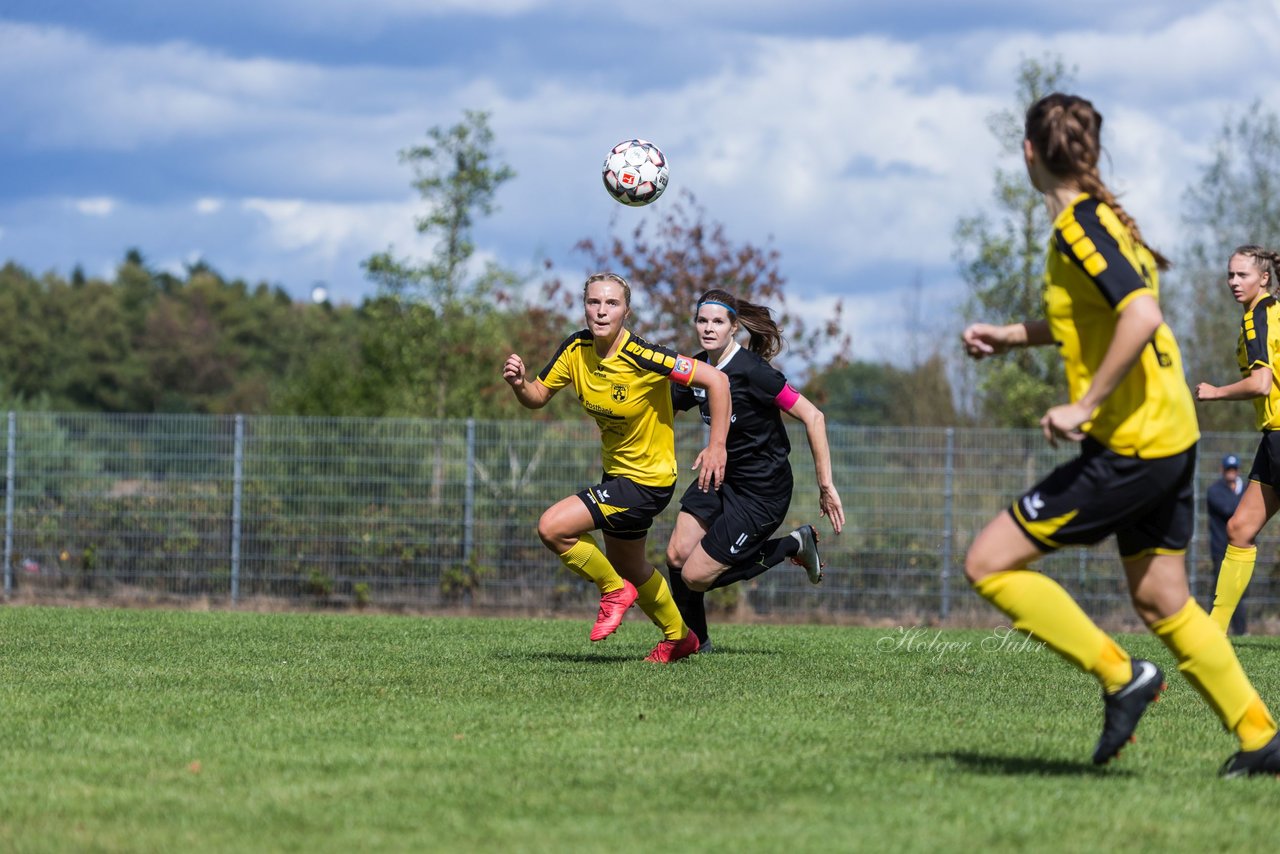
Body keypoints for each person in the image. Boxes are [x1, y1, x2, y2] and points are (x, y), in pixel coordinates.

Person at [960, 92, 1280, 776]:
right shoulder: (1106, 221)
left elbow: (1139, 314)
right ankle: (1262, 738)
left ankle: (1121, 676)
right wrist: (1011, 337)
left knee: (987, 562)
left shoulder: (1080, 227)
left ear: (1028, 154)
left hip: (1135, 443)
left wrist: (1084, 404)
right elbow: (1096, 318)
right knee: (1163, 597)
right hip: (1170, 434)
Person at [502, 272, 731, 663]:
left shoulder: (645, 355)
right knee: (631, 564)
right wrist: (520, 384)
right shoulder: (576, 349)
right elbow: (538, 395)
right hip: (618, 476)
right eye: (594, 302)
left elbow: (717, 381)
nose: (601, 310)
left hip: (649, 481)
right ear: (584, 306)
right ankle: (680, 638)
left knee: (552, 527)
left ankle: (612, 590)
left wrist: (716, 447)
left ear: (626, 310)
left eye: (611, 303)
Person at [664, 288, 845, 652]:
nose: (709, 328)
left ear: (734, 327)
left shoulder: (754, 372)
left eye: (718, 321)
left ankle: (794, 543)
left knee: (695, 576)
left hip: (762, 492)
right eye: (702, 320)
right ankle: (698, 643)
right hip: (717, 477)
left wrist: (825, 485)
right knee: (676, 556)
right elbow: (661, 408)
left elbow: (814, 416)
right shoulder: (697, 370)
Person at [1193, 245, 1280, 636]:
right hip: (1272, 438)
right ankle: (1213, 634)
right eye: (1230, 275)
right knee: (1240, 529)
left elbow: (1261, 384)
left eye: (1242, 275)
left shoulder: (1257, 318)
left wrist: (1215, 392)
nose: (1233, 282)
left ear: (1263, 278)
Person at [1205, 453, 1247, 635]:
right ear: (1222, 470)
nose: (1231, 472)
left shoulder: (1244, 488)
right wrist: (1248, 506)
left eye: (1234, 469)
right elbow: (1229, 510)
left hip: (1243, 547)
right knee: (1219, 590)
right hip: (1221, 547)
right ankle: (1213, 629)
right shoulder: (1214, 491)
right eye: (1228, 469)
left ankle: (1241, 631)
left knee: (1241, 590)